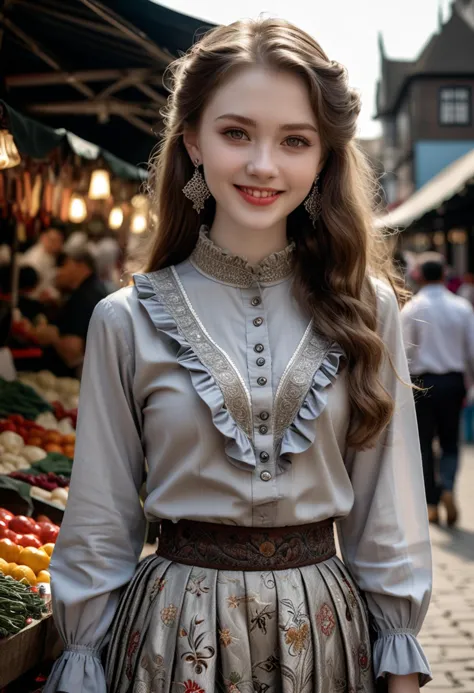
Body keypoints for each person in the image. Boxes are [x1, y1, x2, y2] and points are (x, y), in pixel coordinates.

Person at [44, 19, 432, 693]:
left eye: (295, 140)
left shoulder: (368, 309)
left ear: (323, 158)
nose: (262, 164)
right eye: (235, 133)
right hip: (170, 642)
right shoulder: (125, 320)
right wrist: (80, 652)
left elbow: (387, 513)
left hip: (325, 642)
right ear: (192, 139)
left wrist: (397, 662)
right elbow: (101, 521)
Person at [401, 258, 474, 526]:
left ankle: (430, 503)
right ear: (445, 274)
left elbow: (405, 353)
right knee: (450, 441)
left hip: (421, 383)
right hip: (453, 383)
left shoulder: (412, 308)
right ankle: (448, 487)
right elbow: (472, 351)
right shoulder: (462, 307)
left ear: (419, 276)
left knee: (423, 443)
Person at [33, 249, 108, 377]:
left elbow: (73, 352)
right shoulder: (96, 288)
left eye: (64, 265)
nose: (59, 272)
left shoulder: (83, 296)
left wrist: (52, 336)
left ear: (80, 266)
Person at [20, 226, 64, 300]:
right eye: (52, 240)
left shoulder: (50, 255)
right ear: (43, 238)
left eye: (59, 241)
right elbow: (31, 287)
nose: (56, 244)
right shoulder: (36, 257)